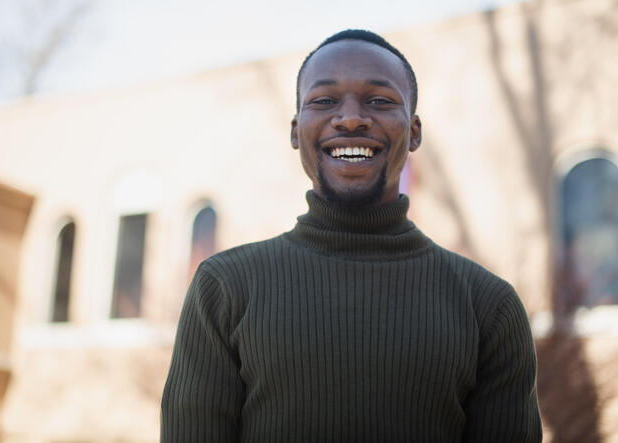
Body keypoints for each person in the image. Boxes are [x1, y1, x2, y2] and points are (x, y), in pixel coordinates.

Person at [161, 29, 542, 443]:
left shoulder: (487, 307)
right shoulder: (224, 288)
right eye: (324, 101)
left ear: (414, 132)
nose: (350, 118)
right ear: (295, 131)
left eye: (379, 101)